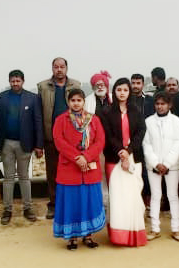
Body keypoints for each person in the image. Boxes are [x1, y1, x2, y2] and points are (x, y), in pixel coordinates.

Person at [52, 88, 107, 250]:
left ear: (84, 101)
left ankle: (88, 236)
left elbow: (100, 141)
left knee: (88, 203)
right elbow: (59, 141)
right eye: (73, 100)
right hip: (70, 169)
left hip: (89, 169)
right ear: (68, 102)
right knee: (72, 204)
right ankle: (72, 237)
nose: (76, 103)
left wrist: (87, 157)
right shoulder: (61, 120)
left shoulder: (94, 120)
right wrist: (77, 157)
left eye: (79, 100)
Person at [0, 70, 44, 225]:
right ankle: (7, 209)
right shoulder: (1, 97)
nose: (15, 83)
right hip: (6, 143)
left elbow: (38, 122)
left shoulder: (33, 98)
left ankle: (27, 208)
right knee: (8, 178)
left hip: (25, 144)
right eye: (12, 81)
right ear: (9, 81)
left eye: (18, 81)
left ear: (23, 81)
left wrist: (39, 144)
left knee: (24, 177)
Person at [102, 78, 147, 246]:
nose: (122, 93)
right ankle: (118, 237)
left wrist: (128, 151)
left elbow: (141, 131)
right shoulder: (106, 112)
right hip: (114, 159)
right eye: (119, 89)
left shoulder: (136, 110)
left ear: (129, 92)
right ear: (114, 91)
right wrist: (121, 152)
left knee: (133, 197)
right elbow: (108, 135)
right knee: (117, 198)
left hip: (134, 157)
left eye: (125, 90)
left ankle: (134, 235)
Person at [39, 57, 82, 220]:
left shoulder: (75, 85)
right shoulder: (43, 87)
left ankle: (72, 205)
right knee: (53, 173)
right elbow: (39, 114)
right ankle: (53, 205)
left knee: (72, 172)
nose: (59, 70)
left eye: (62, 67)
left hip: (72, 139)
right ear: (52, 68)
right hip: (51, 138)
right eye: (56, 67)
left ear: (66, 68)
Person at [143, 92, 179, 241]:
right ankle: (155, 229)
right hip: (153, 165)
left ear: (169, 105)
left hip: (171, 166)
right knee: (155, 196)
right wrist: (156, 163)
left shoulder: (177, 121)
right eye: (157, 104)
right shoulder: (148, 121)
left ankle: (176, 229)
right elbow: (146, 144)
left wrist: (166, 163)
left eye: (163, 104)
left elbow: (178, 143)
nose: (160, 107)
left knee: (172, 196)